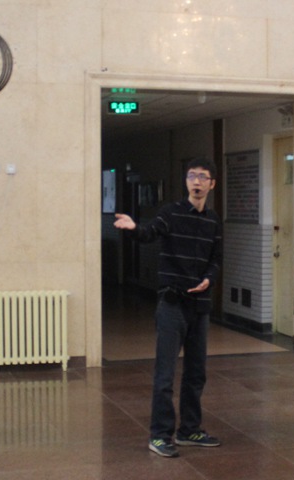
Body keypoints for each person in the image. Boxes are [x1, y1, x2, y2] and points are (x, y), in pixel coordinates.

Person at [114, 158, 222, 458]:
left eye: (202, 177)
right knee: (165, 375)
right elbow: (150, 232)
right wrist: (134, 228)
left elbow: (216, 258)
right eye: (191, 176)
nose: (196, 181)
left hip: (200, 306)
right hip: (172, 304)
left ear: (212, 184)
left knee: (196, 373)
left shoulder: (214, 220)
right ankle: (160, 435)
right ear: (186, 181)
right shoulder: (170, 212)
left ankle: (189, 430)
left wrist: (209, 278)